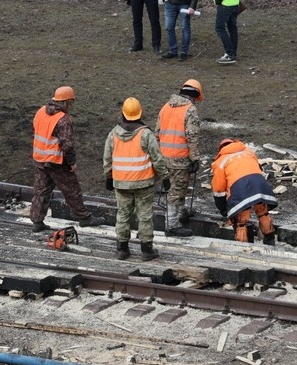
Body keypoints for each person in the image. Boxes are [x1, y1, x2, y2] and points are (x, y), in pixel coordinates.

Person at [31, 86, 106, 233]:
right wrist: (71, 162)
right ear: (66, 102)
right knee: (72, 190)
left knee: (41, 190)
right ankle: (84, 218)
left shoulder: (40, 111)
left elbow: (36, 129)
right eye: (71, 102)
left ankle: (37, 221)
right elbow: (68, 145)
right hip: (56, 161)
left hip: (40, 159)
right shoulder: (63, 120)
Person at [103, 97, 169, 261]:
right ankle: (146, 251)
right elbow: (157, 158)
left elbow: (107, 159)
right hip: (143, 183)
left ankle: (122, 249)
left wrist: (108, 177)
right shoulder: (146, 134)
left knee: (123, 215)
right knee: (145, 216)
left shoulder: (113, 134)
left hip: (121, 183)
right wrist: (165, 176)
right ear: (140, 113)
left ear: (123, 113)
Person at [156, 79, 203, 237]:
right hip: (180, 159)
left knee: (176, 188)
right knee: (176, 191)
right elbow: (192, 136)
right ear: (195, 95)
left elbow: (157, 133)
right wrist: (195, 158)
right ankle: (172, 225)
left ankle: (181, 212)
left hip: (164, 157)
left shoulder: (166, 107)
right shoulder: (190, 110)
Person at [211, 138, 277, 245]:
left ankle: (243, 247)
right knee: (262, 212)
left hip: (240, 189)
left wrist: (223, 208)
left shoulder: (220, 162)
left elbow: (219, 190)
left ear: (221, 149)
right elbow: (258, 169)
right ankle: (270, 239)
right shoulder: (249, 152)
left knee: (240, 221)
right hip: (259, 184)